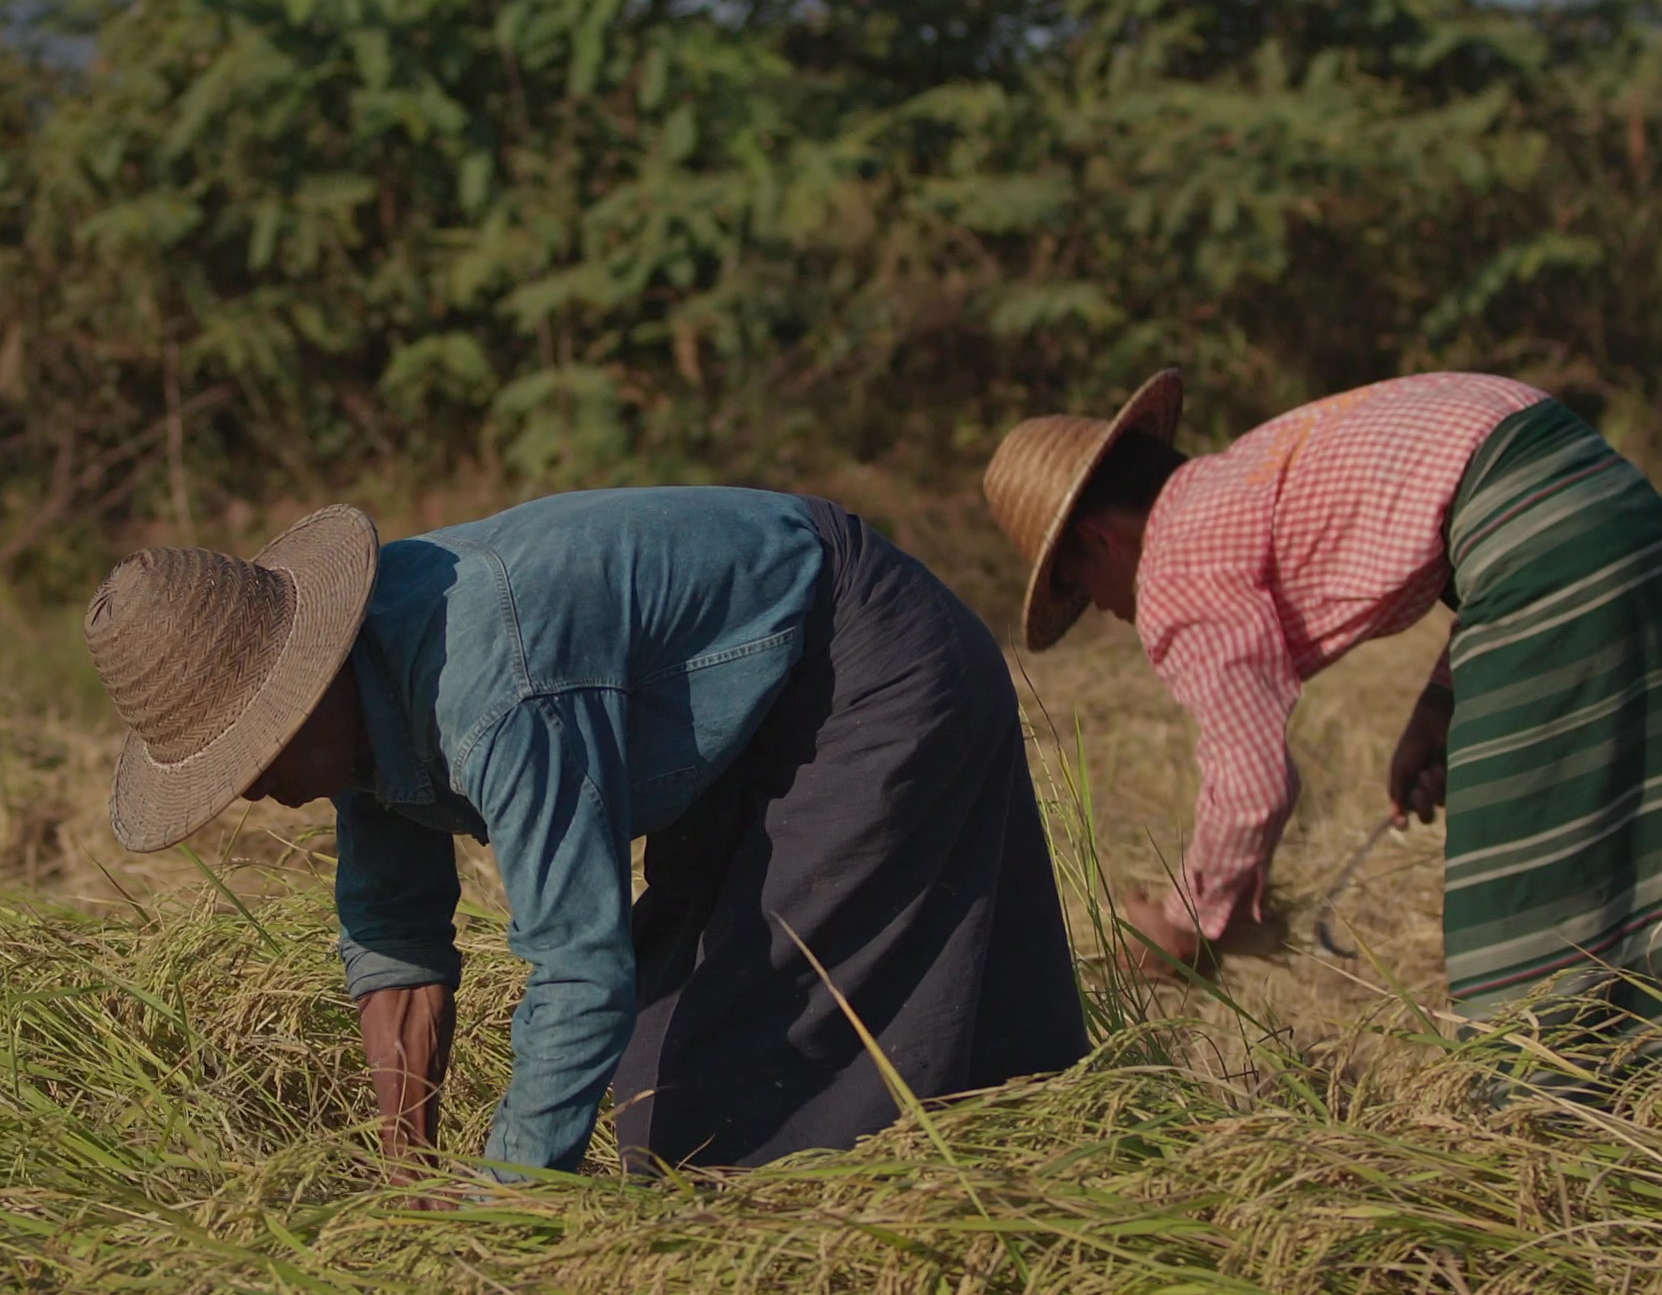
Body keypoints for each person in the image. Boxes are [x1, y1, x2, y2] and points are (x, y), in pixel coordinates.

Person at [84, 488, 1086, 1176]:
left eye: (256, 765)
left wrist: (500, 1211)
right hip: (734, 722)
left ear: (305, 692)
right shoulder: (355, 717)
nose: (258, 797)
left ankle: (925, 1218)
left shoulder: (492, 686)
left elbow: (579, 969)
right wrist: (409, 1186)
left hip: (859, 665)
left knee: (755, 1073)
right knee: (664, 1078)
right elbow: (397, 942)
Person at [983, 368, 1662, 1078]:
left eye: (1083, 586)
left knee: (1518, 890)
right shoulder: (1248, 475)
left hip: (1543, 540)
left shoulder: (1178, 560)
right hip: (1617, 508)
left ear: (1099, 540)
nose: (1110, 614)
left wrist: (1191, 925)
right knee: (1648, 826)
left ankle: (1553, 1127)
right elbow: (1496, 500)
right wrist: (1442, 707)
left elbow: (1252, 785)